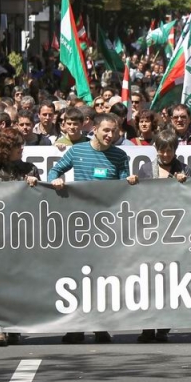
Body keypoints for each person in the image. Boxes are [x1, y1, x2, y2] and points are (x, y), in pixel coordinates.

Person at [48, 113, 139, 344]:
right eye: (106, 130)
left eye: (115, 131)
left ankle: (100, 326)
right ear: (95, 129)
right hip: (78, 225)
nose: (110, 135)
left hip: (106, 228)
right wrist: (55, 181)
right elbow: (54, 172)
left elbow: (122, 189)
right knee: (78, 277)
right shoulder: (77, 151)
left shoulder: (120, 156)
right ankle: (75, 327)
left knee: (102, 278)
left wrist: (128, 183)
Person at [0, 128, 39, 347]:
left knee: (18, 282)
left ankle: (15, 327)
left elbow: (40, 202)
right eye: (17, 145)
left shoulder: (30, 168)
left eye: (22, 144)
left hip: (21, 234)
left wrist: (35, 185)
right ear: (6, 148)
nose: (21, 149)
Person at [135, 128, 191, 344]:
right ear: (156, 150)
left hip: (175, 234)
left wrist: (185, 183)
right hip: (150, 232)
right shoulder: (146, 169)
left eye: (170, 151)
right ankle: (148, 326)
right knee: (149, 281)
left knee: (169, 281)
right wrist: (133, 183)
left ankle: (164, 325)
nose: (166, 155)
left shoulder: (184, 169)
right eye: (162, 150)